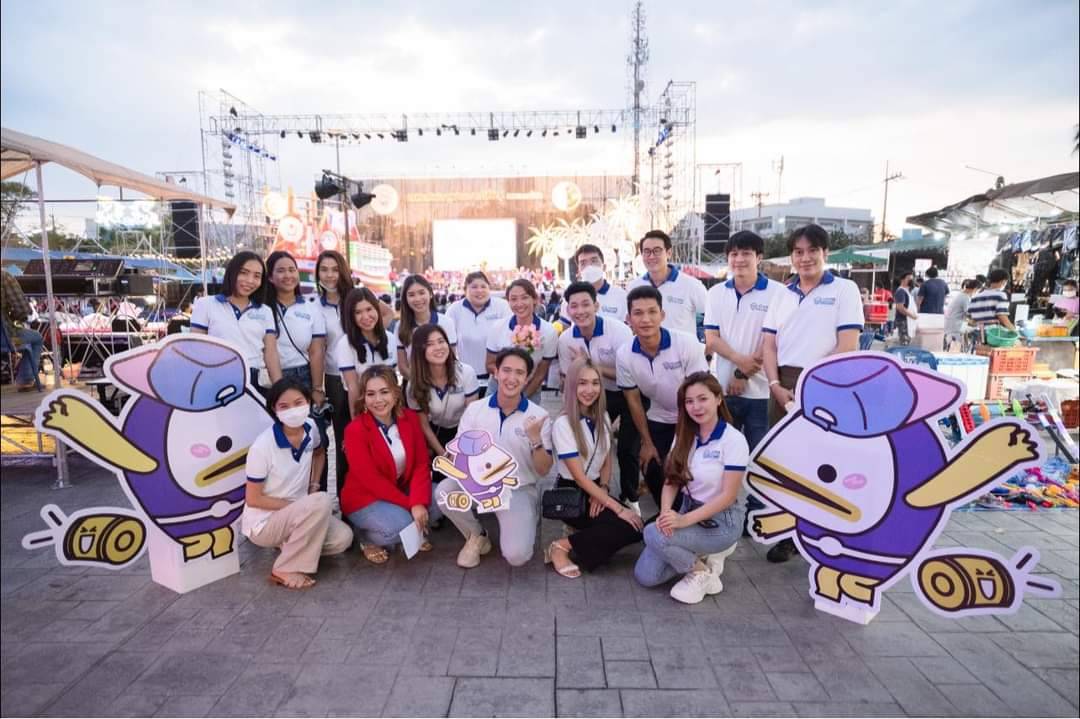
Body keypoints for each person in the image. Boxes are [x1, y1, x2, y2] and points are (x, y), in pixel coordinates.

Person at [761, 224, 862, 563]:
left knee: (825, 465)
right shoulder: (782, 294)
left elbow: (847, 345)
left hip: (827, 384)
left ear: (825, 253)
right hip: (783, 386)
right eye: (798, 252)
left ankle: (828, 534)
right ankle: (791, 535)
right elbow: (769, 345)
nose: (805, 258)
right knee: (787, 464)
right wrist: (775, 386)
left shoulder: (844, 289)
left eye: (812, 251)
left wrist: (809, 384)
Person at [633, 372, 747, 604]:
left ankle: (702, 571)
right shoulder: (684, 435)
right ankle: (695, 551)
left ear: (718, 399)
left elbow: (728, 496)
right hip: (687, 511)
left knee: (652, 533)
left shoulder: (733, 440)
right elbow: (671, 481)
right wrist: (666, 513)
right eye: (689, 401)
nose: (696, 407)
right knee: (646, 576)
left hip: (721, 521)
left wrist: (683, 521)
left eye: (702, 399)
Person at [435, 348, 553, 568]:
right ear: (496, 373)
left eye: (519, 372)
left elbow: (544, 470)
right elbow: (458, 452)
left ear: (527, 378)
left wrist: (535, 439)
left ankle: (528, 512)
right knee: (444, 491)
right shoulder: (475, 410)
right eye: (506, 370)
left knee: (517, 556)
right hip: (478, 483)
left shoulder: (539, 416)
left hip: (517, 488)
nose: (512, 378)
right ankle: (477, 535)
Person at [702, 231, 783, 529]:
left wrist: (743, 373)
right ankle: (724, 510)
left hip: (762, 392)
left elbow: (773, 341)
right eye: (734, 254)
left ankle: (756, 514)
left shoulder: (777, 293)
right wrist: (738, 364)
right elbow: (711, 339)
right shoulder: (716, 293)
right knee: (722, 456)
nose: (739, 259)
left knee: (760, 457)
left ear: (759, 257)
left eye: (746, 253)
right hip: (724, 390)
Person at [243, 378, 353, 589]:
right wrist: (298, 506)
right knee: (321, 501)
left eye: (298, 403)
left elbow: (319, 453)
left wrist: (313, 485)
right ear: (274, 410)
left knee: (343, 538)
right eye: (284, 406)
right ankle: (285, 568)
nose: (292, 410)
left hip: (299, 515)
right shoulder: (262, 447)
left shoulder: (311, 427)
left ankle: (291, 545)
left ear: (308, 402)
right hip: (265, 523)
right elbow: (253, 499)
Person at [546, 357, 643, 578]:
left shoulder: (603, 416)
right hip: (573, 491)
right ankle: (561, 547)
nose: (590, 390)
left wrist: (604, 489)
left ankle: (584, 535)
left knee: (636, 527)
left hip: (597, 488)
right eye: (582, 383)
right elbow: (579, 478)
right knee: (625, 524)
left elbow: (607, 458)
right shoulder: (563, 424)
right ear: (572, 385)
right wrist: (618, 508)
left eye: (595, 383)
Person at [616, 286, 709, 508]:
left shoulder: (686, 344)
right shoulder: (624, 354)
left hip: (695, 417)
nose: (645, 319)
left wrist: (680, 442)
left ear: (662, 315)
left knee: (690, 470)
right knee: (651, 467)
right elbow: (633, 401)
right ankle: (667, 514)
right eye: (638, 313)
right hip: (658, 416)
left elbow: (700, 395)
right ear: (629, 318)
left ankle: (699, 514)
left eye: (652, 312)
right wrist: (647, 443)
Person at [341, 365, 442, 563]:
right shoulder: (355, 430)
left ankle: (410, 531)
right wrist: (411, 505)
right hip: (365, 498)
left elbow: (421, 464)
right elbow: (371, 481)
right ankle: (364, 538)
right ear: (364, 398)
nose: (378, 400)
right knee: (403, 525)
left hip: (399, 489)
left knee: (442, 498)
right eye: (371, 394)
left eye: (384, 392)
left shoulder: (410, 418)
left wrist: (418, 502)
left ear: (396, 393)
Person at [557, 281, 638, 508]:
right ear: (567, 310)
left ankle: (631, 498)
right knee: (590, 443)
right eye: (574, 306)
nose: (580, 311)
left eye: (586, 304)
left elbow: (629, 374)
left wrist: (590, 364)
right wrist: (567, 413)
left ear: (596, 305)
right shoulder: (566, 339)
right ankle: (586, 490)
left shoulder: (619, 331)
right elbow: (569, 380)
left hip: (626, 392)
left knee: (627, 449)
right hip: (593, 395)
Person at [190, 251, 281, 394]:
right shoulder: (206, 304)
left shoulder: (265, 311)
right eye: (244, 273)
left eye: (257, 276)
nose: (250, 280)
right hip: (217, 379)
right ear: (232, 272)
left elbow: (271, 353)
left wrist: (279, 389)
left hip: (256, 381)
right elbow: (196, 349)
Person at [408, 323, 481, 482]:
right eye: (430, 344)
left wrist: (457, 451)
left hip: (464, 433)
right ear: (420, 350)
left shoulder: (466, 372)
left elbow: (471, 418)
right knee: (440, 483)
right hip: (436, 436)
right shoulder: (414, 385)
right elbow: (424, 426)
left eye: (441, 341)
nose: (438, 347)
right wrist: (444, 454)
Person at [310, 250, 353, 496]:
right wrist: (318, 387)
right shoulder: (314, 306)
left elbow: (385, 314)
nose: (329, 275)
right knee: (343, 437)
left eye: (335, 269)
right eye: (324, 270)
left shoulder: (354, 298)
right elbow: (316, 348)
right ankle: (345, 497)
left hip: (362, 374)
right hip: (335, 378)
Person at [266, 251, 327, 406]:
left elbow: (316, 352)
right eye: (281, 271)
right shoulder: (261, 309)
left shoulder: (311, 309)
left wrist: (317, 388)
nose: (288, 275)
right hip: (267, 378)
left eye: (292, 270)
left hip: (302, 377)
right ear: (270, 277)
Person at [485, 278, 558, 402]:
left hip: (530, 387)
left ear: (534, 299)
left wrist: (521, 397)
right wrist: (509, 377)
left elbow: (541, 373)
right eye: (513, 299)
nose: (519, 304)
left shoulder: (548, 331)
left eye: (524, 297)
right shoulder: (497, 327)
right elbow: (489, 364)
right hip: (498, 386)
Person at [627, 230, 708, 336]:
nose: (651, 256)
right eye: (647, 251)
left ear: (668, 253)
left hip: (681, 347)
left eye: (657, 251)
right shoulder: (633, 286)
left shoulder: (692, 285)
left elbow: (713, 317)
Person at [334, 287, 398, 417]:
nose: (365, 317)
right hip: (359, 405)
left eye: (369, 309)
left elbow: (392, 381)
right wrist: (357, 421)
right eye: (358, 312)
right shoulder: (345, 343)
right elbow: (352, 386)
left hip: (387, 406)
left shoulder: (390, 338)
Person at [445, 271, 511, 393]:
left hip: (496, 375)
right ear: (465, 290)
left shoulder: (502, 306)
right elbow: (448, 342)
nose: (479, 291)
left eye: (483, 286)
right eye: (474, 287)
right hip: (465, 375)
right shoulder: (454, 310)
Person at [395, 274, 458, 380]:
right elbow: (403, 366)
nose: (417, 299)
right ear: (405, 299)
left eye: (421, 293)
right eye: (411, 295)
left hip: (443, 384)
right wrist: (420, 384)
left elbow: (451, 359)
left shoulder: (446, 322)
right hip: (414, 384)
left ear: (430, 294)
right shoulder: (401, 326)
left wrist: (437, 384)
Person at [558, 244, 630, 326]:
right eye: (583, 263)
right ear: (579, 270)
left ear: (604, 266)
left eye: (594, 261)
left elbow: (628, 327)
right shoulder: (571, 297)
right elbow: (564, 326)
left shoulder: (621, 296)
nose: (589, 267)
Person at [1, 269, 44, 391]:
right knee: (36, 338)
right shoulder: (4, 276)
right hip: (7, 340)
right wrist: (12, 318)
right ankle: (25, 380)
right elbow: (23, 310)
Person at [967, 268, 1015, 333]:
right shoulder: (1000, 295)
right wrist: (1014, 330)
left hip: (977, 333)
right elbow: (1002, 316)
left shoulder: (975, 297)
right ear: (1003, 281)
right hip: (992, 334)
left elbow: (971, 320)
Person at [944, 279, 979, 349]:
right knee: (955, 348)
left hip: (951, 324)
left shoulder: (961, 295)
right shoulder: (965, 297)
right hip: (955, 327)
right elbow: (969, 314)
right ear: (975, 289)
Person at [893, 271, 917, 346]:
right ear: (902, 280)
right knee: (904, 343)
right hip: (903, 321)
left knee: (907, 342)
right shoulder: (901, 291)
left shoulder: (907, 291)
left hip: (907, 321)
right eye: (908, 279)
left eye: (911, 279)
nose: (910, 281)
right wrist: (912, 316)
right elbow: (900, 307)